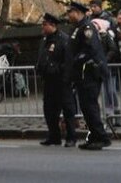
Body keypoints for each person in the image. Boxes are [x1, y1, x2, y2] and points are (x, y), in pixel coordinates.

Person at [66, 3, 112, 149]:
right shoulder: (77, 28)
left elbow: (89, 49)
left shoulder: (87, 27)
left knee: (90, 106)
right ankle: (93, 136)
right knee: (86, 107)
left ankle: (101, 137)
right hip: (82, 73)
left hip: (90, 71)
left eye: (70, 12)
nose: (68, 15)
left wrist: (75, 60)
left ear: (78, 12)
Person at [34, 13, 76, 146]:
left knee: (67, 109)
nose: (43, 27)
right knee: (50, 110)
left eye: (45, 24)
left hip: (61, 80)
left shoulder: (64, 40)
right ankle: (54, 136)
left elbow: (68, 60)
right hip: (48, 80)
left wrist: (59, 70)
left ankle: (71, 137)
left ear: (52, 25)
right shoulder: (45, 40)